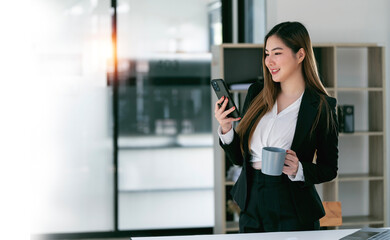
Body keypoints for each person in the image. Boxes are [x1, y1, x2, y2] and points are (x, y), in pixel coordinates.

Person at [214, 21, 339, 233]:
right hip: (252, 201)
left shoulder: (321, 106)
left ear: (300, 55)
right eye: (266, 53)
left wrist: (299, 169)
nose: (269, 61)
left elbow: (329, 169)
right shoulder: (257, 93)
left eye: (277, 53)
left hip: (294, 203)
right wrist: (226, 130)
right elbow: (239, 159)